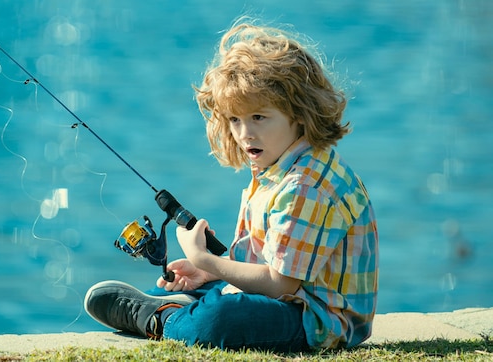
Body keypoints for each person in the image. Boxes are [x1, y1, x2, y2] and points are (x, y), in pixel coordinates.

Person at [84, 19, 378, 352]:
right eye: (235, 119)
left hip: (319, 321)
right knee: (215, 299)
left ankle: (165, 318)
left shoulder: (304, 185)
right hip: (287, 296)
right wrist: (207, 274)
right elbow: (268, 256)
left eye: (259, 118)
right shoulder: (279, 163)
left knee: (221, 319)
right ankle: (184, 303)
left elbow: (281, 281)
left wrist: (205, 258)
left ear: (299, 113)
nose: (244, 133)